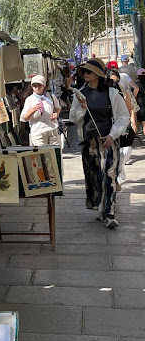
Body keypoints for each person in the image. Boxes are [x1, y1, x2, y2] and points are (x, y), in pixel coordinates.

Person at [70, 58, 129, 228]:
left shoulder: (111, 93)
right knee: (95, 177)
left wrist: (112, 135)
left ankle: (110, 213)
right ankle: (101, 208)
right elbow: (73, 119)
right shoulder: (80, 93)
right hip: (90, 142)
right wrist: (81, 107)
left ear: (98, 74)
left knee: (109, 176)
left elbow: (123, 116)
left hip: (108, 140)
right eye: (84, 72)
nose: (86, 74)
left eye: (89, 71)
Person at [20, 75, 60, 146]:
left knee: (53, 153)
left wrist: (56, 113)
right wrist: (33, 109)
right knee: (42, 154)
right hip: (38, 131)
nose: (37, 88)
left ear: (43, 86)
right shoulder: (30, 100)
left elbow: (57, 107)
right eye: (35, 86)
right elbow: (24, 118)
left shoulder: (50, 96)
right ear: (32, 87)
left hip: (52, 129)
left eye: (39, 85)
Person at [136, 68, 145, 134]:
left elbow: (134, 94)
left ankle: (135, 133)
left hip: (140, 105)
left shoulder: (137, 84)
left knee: (143, 123)